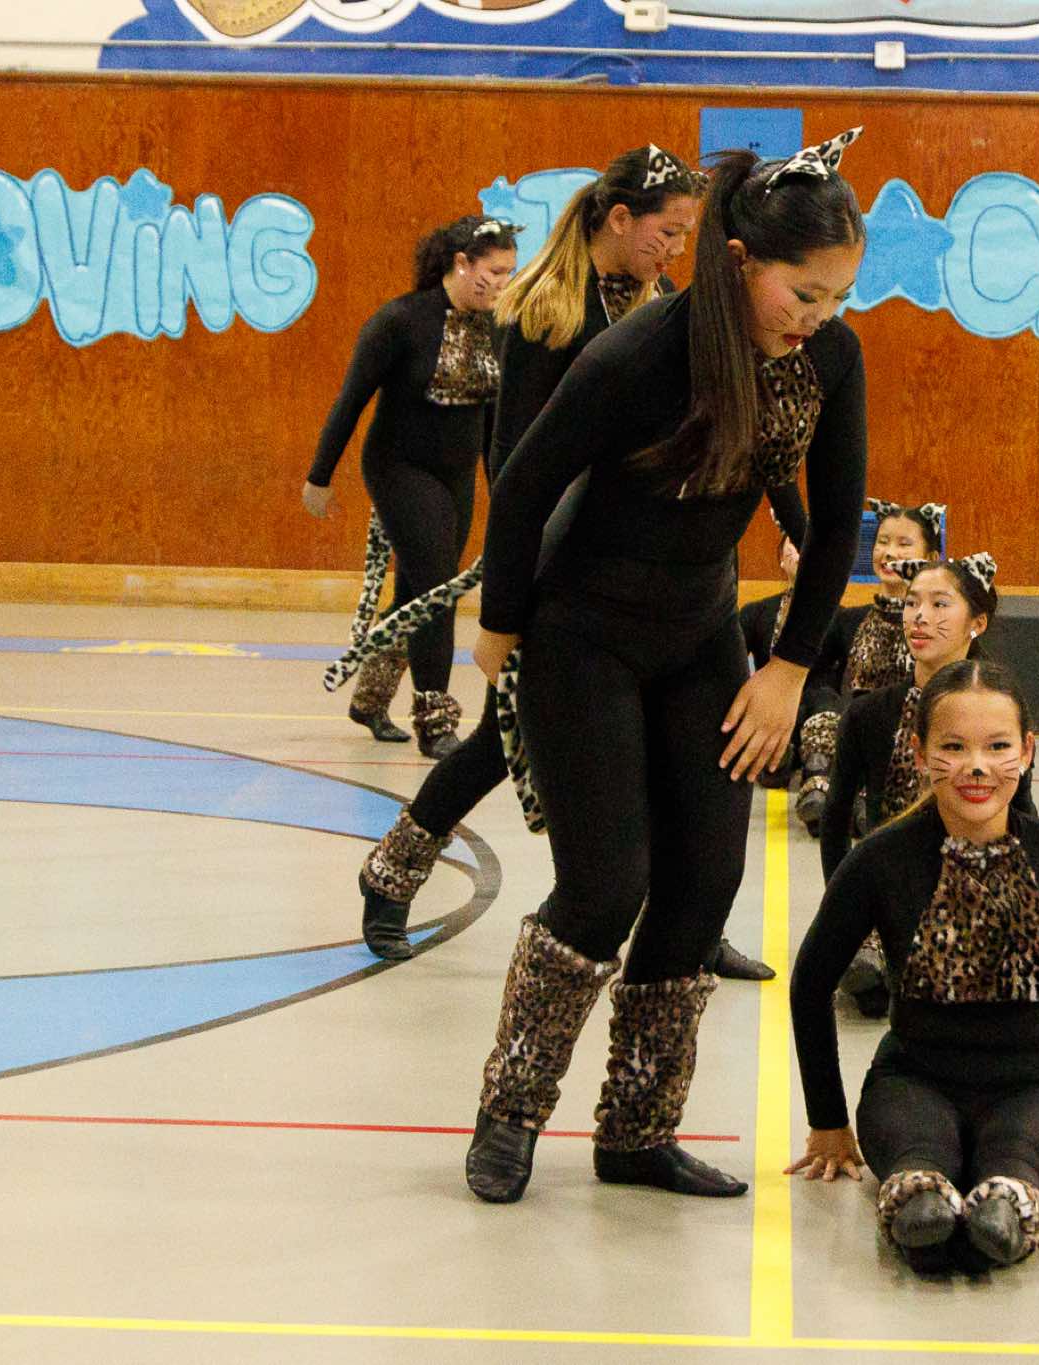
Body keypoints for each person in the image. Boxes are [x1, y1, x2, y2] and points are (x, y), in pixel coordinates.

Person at [462, 129, 870, 1205]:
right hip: (583, 632)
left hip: (698, 635)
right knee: (606, 885)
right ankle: (509, 1109)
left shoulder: (830, 359)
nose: (818, 316)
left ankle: (636, 1133)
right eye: (803, 292)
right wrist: (501, 625)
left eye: (837, 297)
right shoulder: (640, 353)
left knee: (702, 883)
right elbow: (521, 483)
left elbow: (836, 530)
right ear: (739, 261)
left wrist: (788, 668)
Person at [345, 148, 785, 981]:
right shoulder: (547, 313)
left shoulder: (667, 310)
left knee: (676, 760)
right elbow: (517, 461)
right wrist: (518, 590)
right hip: (563, 574)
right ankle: (392, 870)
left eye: (687, 235)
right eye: (666, 232)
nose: (676, 249)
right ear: (618, 220)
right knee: (496, 742)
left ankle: (689, 925)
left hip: (658, 577)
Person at [787, 660, 1039, 1275]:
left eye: (998, 747)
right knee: (921, 1168)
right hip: (911, 1087)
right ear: (920, 753)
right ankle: (917, 1198)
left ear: (1027, 751)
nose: (977, 767)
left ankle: (1008, 1202)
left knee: (1012, 1162)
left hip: (1037, 1096)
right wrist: (827, 1122)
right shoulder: (880, 860)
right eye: (954, 748)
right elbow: (810, 984)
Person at [304, 215, 520, 758]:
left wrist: (503, 490)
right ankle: (435, 718)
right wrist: (319, 477)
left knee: (417, 592)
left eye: (509, 273)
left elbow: (492, 420)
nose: (502, 283)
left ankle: (371, 699)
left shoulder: (495, 327)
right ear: (461, 264)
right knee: (437, 592)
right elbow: (350, 400)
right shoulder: (399, 322)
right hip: (398, 468)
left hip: (455, 476)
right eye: (494, 272)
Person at [820, 553, 1031, 1018]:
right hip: (893, 885)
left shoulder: (1002, 710)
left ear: (977, 623)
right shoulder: (869, 713)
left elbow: (1023, 814)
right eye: (913, 603)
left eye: (939, 604)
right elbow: (836, 820)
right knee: (878, 994)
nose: (919, 616)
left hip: (977, 883)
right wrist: (845, 908)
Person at [794, 500, 945, 835]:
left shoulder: (937, 626)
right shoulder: (849, 620)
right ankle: (822, 788)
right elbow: (815, 677)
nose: (889, 553)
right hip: (854, 735)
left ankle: (871, 799)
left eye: (904, 544)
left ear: (931, 557)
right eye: (882, 542)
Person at [738, 526, 801, 791]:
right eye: (795, 544)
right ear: (781, 559)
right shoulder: (756, 612)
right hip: (769, 702)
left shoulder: (840, 615)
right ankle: (777, 762)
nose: (802, 551)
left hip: (818, 705)